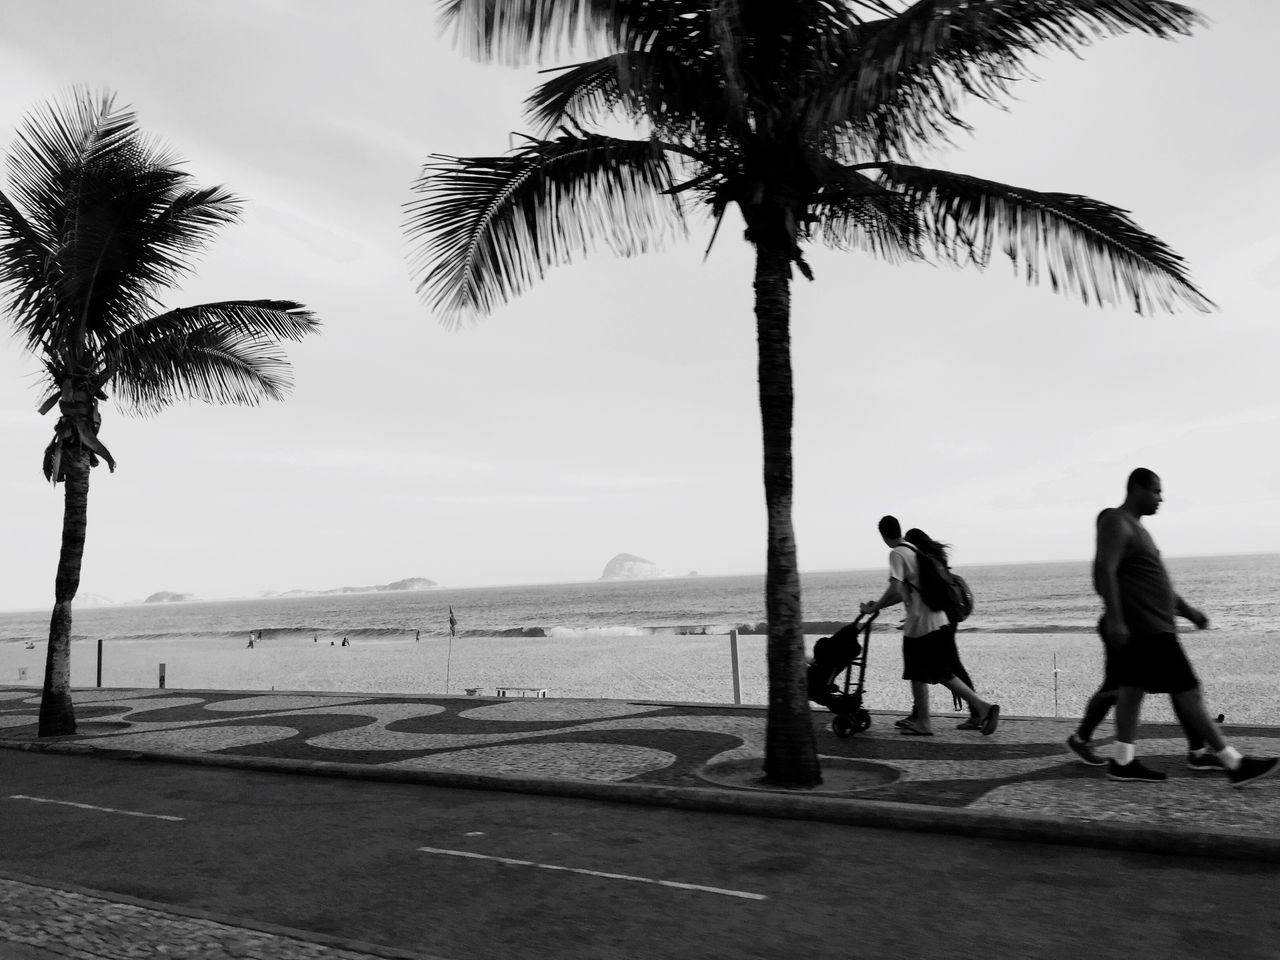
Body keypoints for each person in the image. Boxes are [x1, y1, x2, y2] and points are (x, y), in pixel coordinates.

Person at [1090, 468, 1277, 787]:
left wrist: (1189, 612)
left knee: (1132, 692)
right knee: (1189, 692)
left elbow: (1155, 582)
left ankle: (1122, 761)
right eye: (1156, 491)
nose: (1161, 498)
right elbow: (1104, 571)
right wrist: (1117, 619)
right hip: (1147, 629)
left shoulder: (1138, 529)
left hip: (1152, 625)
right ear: (1137, 488)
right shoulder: (1117, 522)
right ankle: (1234, 763)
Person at [861, 516, 1000, 736]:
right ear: (900, 529)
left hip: (920, 625)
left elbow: (896, 588)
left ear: (883, 535)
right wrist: (880, 606)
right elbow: (907, 591)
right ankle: (980, 709)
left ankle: (930, 721)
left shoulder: (897, 553)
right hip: (938, 620)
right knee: (938, 672)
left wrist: (874, 607)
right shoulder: (915, 552)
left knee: (919, 673)